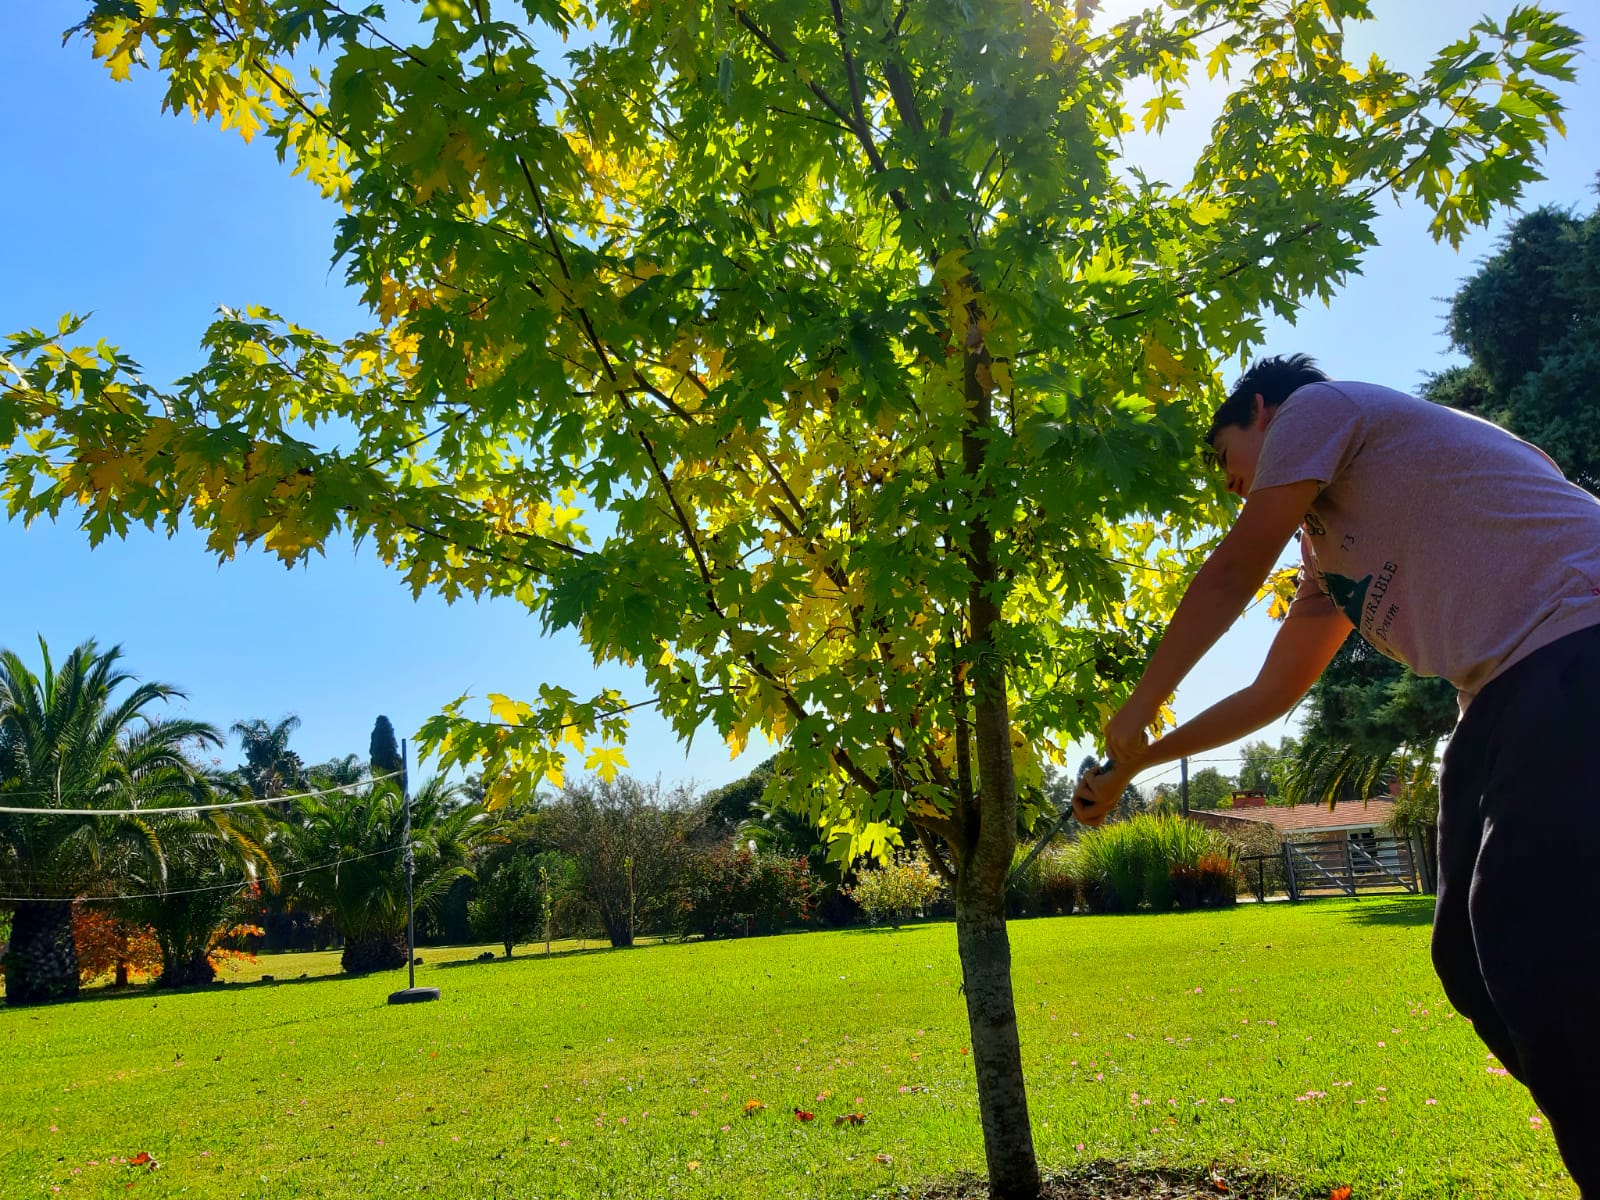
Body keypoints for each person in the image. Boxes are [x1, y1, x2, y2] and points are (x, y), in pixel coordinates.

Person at [1072, 354, 1600, 1196]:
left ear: (1258, 411)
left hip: (1576, 636)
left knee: (1533, 942)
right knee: (1467, 960)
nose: (1235, 484)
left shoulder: (1318, 409)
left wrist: (1143, 701)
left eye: (1226, 457)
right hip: (1499, 691)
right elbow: (1274, 692)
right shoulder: (1326, 557)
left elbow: (1235, 569)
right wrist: (1142, 756)